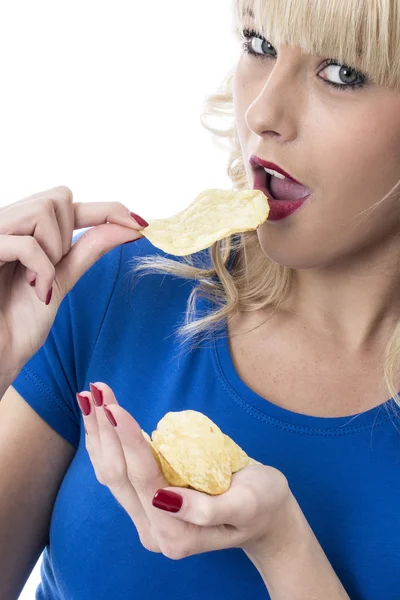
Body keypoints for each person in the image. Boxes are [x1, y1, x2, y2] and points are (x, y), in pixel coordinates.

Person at [1, 0, 400, 597]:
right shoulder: (114, 289)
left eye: (342, 72)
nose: (264, 111)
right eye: (259, 45)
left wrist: (283, 546)